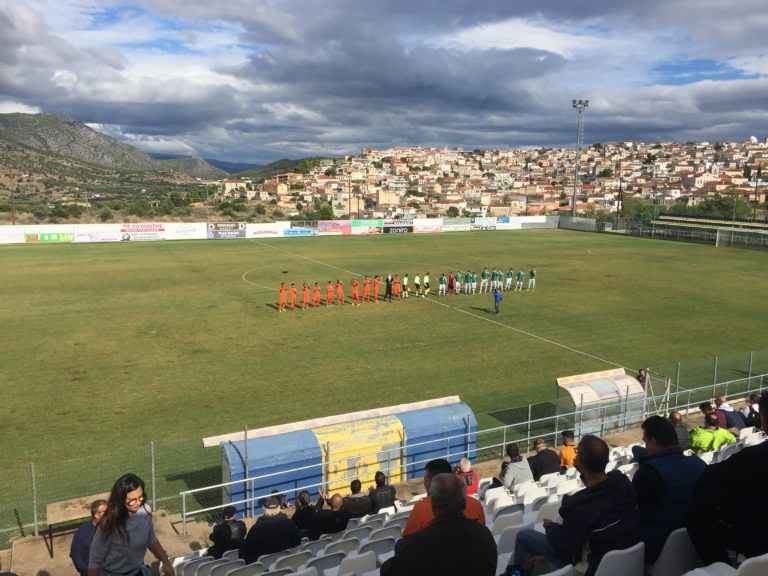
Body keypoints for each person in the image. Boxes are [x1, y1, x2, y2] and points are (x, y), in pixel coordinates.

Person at [508, 435, 640, 576]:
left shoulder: (582, 508)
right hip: (624, 559)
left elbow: (565, 547)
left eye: (578, 452)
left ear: (581, 463)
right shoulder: (623, 482)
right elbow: (597, 490)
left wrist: (551, 527)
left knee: (524, 536)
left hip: (591, 567)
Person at [687, 391, 768, 565]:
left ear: (765, 422)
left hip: (757, 544)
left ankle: (723, 568)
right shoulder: (747, 458)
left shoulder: (749, 459)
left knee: (696, 519)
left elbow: (704, 489)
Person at [380, 473, 497, 576]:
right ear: (464, 503)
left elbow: (387, 571)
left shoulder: (416, 544)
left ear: (433, 505)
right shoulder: (485, 535)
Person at [631, 416, 707, 563]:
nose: (645, 446)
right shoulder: (698, 463)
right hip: (697, 543)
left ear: (653, 442)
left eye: (645, 442)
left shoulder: (649, 473)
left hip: (659, 549)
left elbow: (632, 511)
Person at [87, 473, 174, 576]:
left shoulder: (145, 511)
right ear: (120, 499)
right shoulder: (108, 524)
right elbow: (95, 560)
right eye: (132, 500)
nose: (138, 503)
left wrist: (165, 561)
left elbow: (150, 539)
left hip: (138, 570)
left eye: (140, 497)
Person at [402, 458, 485, 537]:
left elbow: (407, 539)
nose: (424, 483)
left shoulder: (420, 508)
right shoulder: (475, 504)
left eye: (425, 479)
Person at [240, 497, 300, 564]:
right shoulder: (289, 523)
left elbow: (246, 549)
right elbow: (297, 542)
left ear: (264, 509)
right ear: (279, 508)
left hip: (263, 566)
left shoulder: (256, 528)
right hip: (285, 562)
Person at [70, 499, 107, 576]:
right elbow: (75, 554)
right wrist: (86, 570)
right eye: (106, 511)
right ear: (96, 515)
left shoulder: (110, 527)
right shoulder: (82, 533)